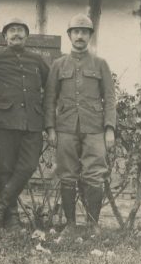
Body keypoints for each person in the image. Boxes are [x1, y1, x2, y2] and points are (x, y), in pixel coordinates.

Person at [44, 14, 116, 235]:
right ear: (69, 35)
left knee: (95, 174)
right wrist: (50, 128)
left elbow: (110, 97)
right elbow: (49, 98)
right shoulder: (58, 65)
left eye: (84, 32)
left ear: (89, 36)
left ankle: (93, 225)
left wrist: (109, 128)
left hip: (94, 128)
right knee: (67, 174)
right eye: (75, 32)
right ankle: (71, 225)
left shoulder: (100, 64)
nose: (80, 36)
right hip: (65, 127)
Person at [0, 18, 50, 230]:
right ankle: (12, 218)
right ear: (5, 37)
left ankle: (0, 206)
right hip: (4, 121)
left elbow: (51, 86)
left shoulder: (37, 60)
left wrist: (45, 110)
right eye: (12, 31)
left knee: (28, 166)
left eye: (20, 30)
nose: (16, 34)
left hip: (32, 122)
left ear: (27, 37)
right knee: (6, 169)